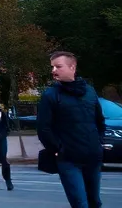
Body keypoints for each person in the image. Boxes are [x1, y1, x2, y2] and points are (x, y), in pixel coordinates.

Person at [38, 50, 105, 208]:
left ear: (72, 67)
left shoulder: (89, 92)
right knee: (80, 203)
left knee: (95, 202)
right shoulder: (50, 95)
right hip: (69, 159)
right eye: (52, 67)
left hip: (92, 156)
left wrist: (99, 142)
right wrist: (57, 149)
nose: (53, 70)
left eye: (58, 66)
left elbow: (99, 120)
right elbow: (43, 128)